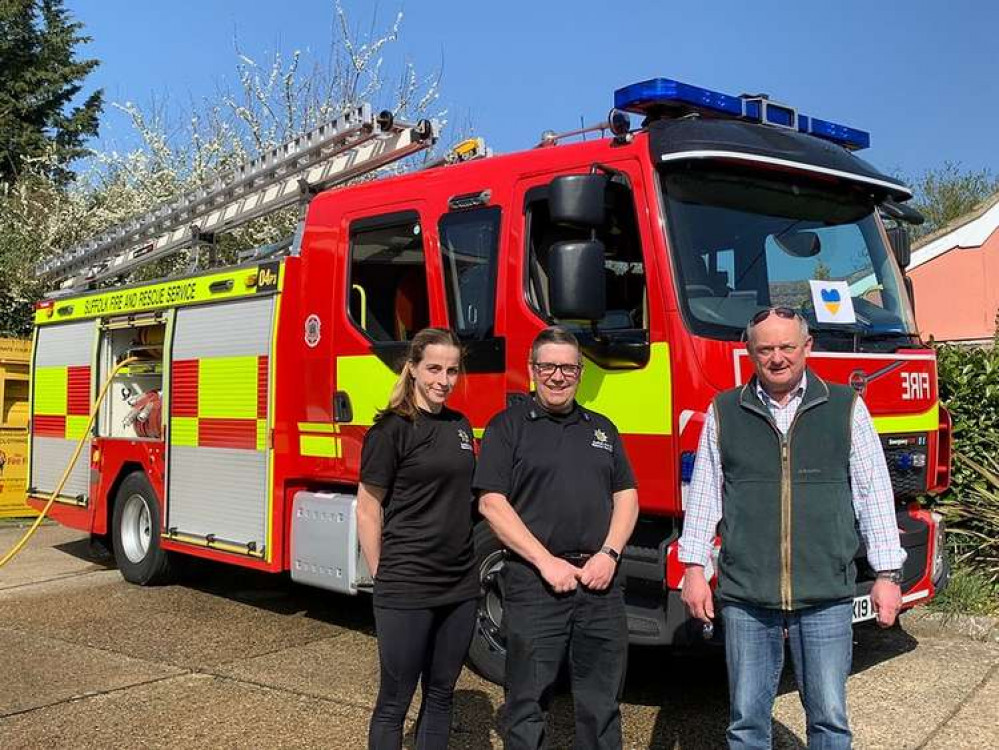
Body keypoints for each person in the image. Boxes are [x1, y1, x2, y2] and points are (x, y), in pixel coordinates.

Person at [679, 307, 906, 750]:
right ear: (750, 353)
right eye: (765, 348)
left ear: (807, 348)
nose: (777, 357)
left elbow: (874, 495)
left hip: (825, 594)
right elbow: (705, 496)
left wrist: (887, 576)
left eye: (787, 346)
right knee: (746, 724)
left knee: (829, 721)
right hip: (747, 595)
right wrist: (693, 568)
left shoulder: (846, 408)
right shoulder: (725, 411)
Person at [475, 326, 640, 750]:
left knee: (602, 706)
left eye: (567, 367)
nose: (557, 376)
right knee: (527, 705)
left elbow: (627, 496)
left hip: (600, 584)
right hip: (535, 585)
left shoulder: (602, 428)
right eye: (547, 366)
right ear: (532, 370)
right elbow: (492, 504)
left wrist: (609, 553)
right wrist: (546, 562)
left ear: (580, 372)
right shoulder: (507, 427)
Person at [357, 327, 479, 750]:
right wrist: (381, 574)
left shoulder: (460, 426)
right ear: (411, 369)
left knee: (441, 695)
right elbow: (368, 508)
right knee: (394, 701)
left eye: (452, 370)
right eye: (433, 369)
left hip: (460, 586)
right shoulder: (391, 430)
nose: (442, 380)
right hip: (407, 584)